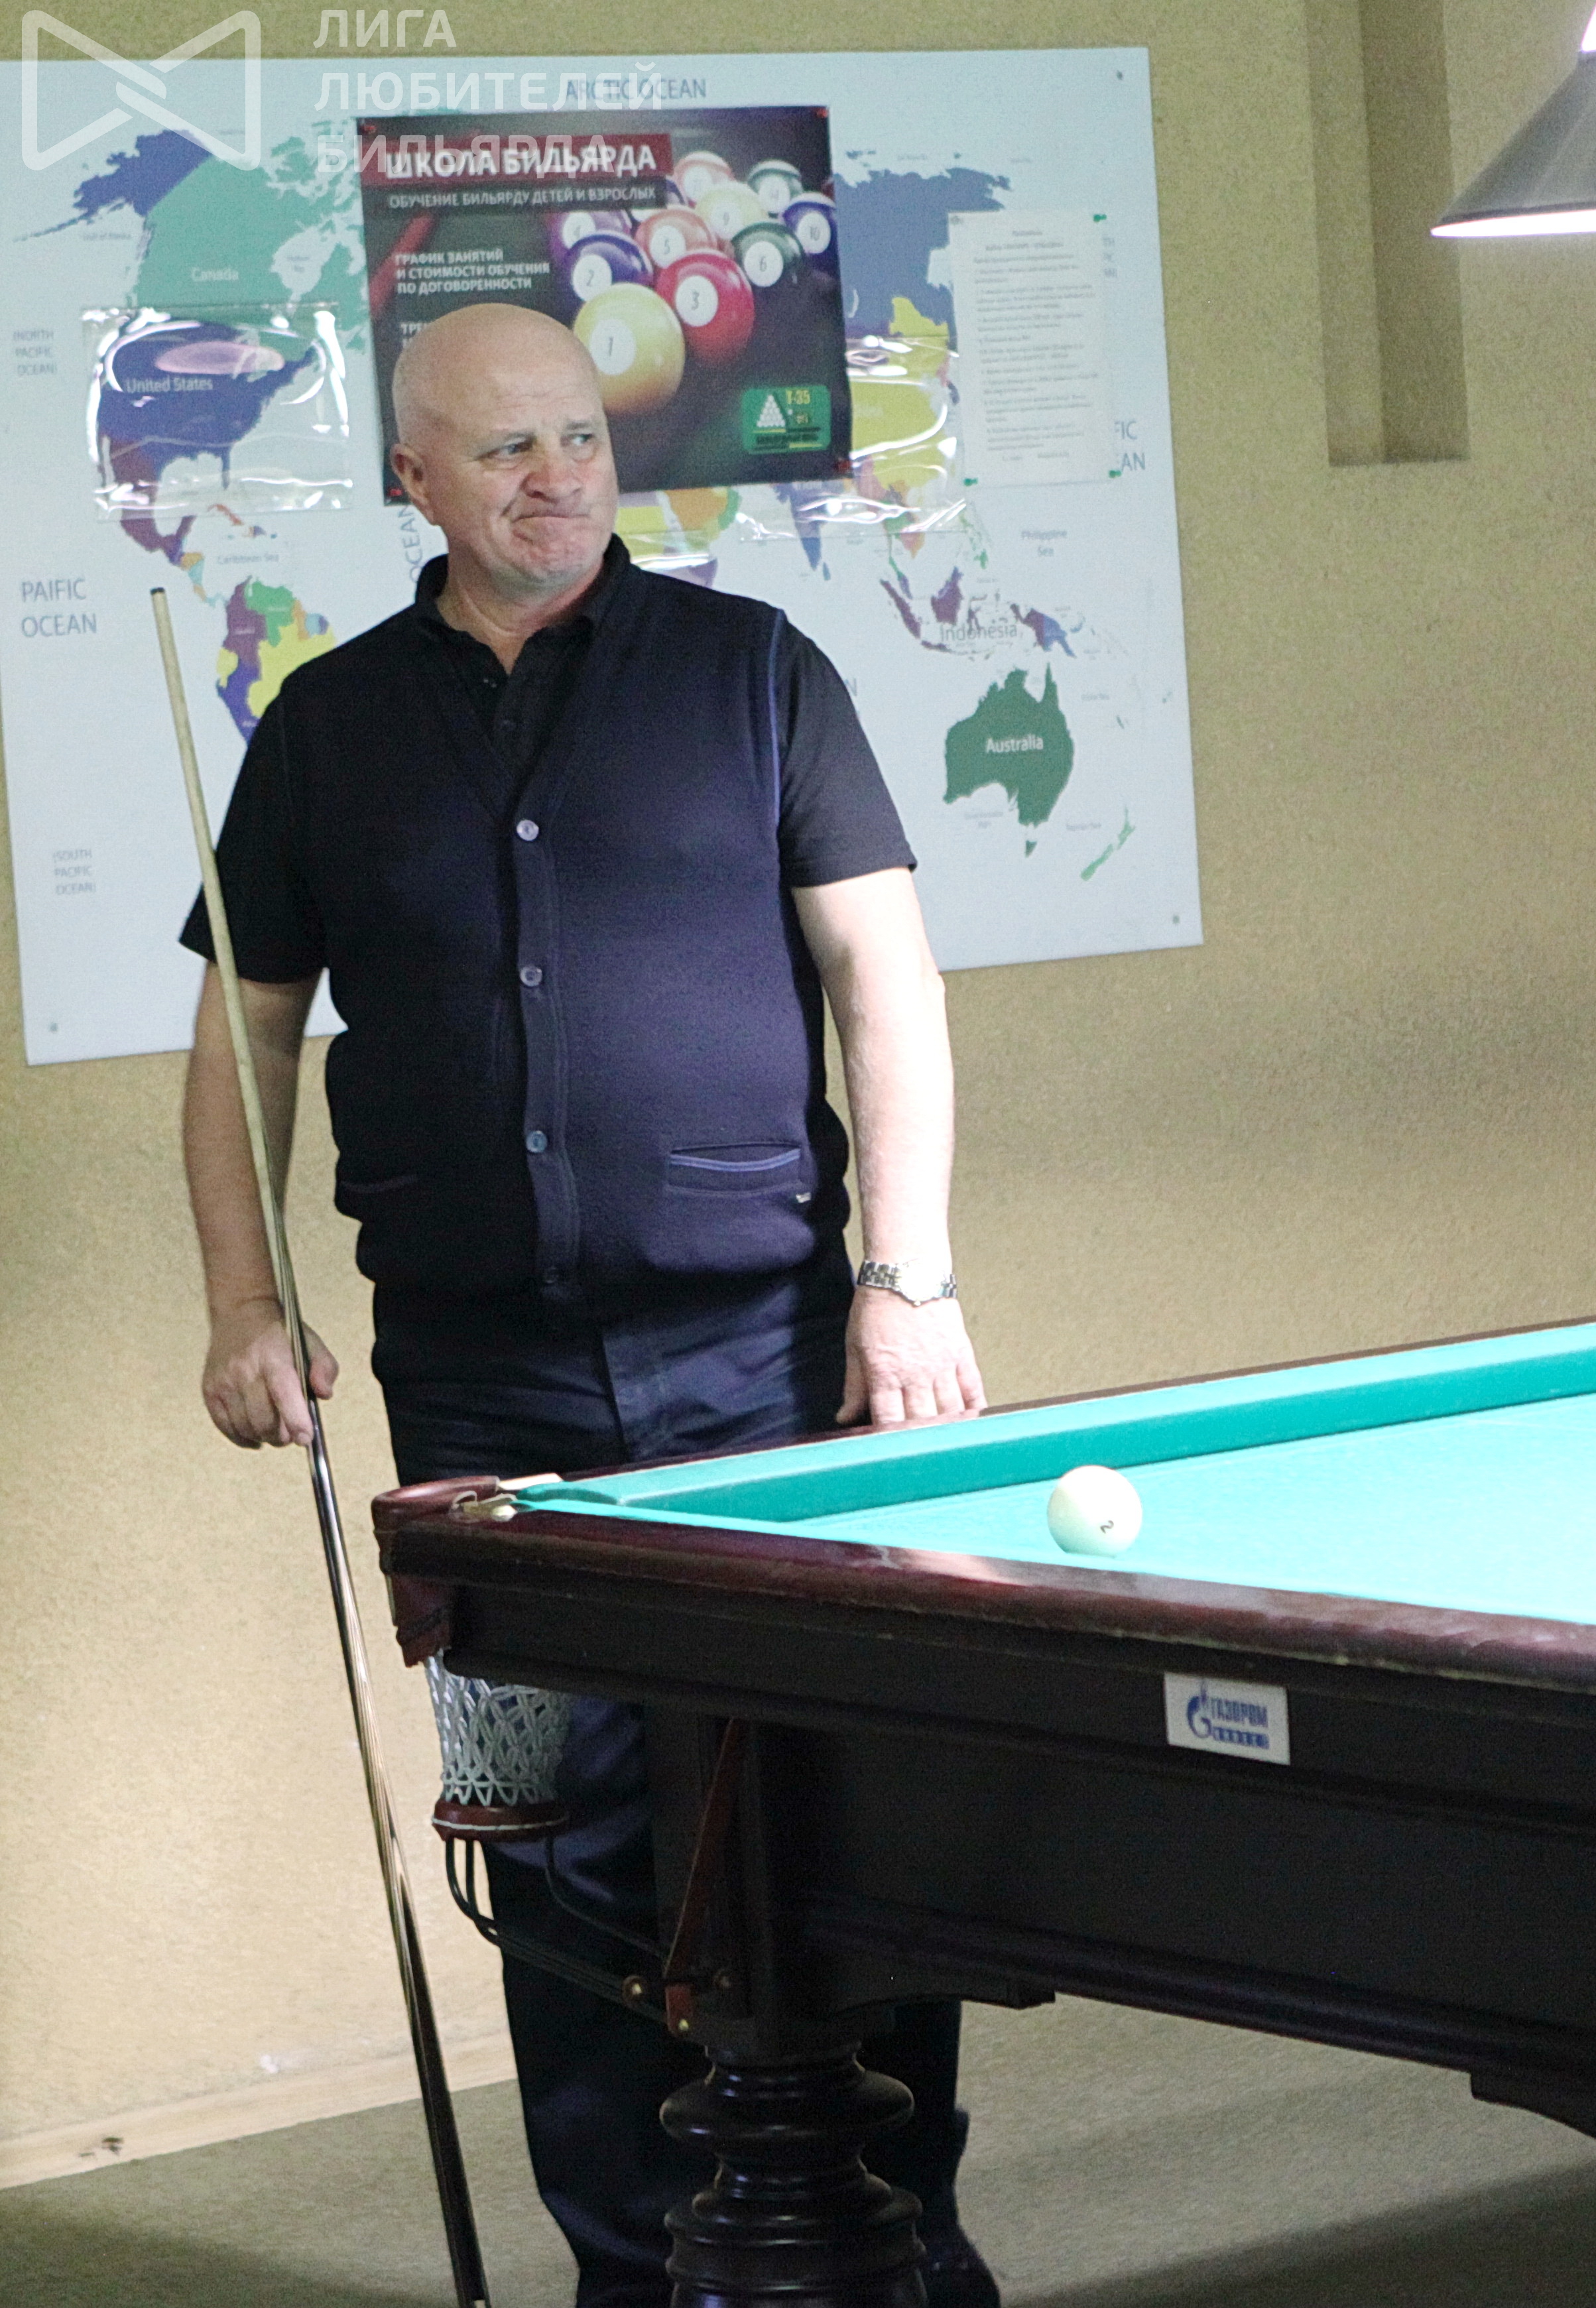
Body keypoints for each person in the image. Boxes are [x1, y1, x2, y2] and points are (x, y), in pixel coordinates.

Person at [180, 302, 993, 2308]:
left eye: (580, 438)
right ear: (414, 479)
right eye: (505, 450)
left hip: (773, 1369)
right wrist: (243, 1300)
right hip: (483, 1399)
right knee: (554, 1848)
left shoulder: (754, 671)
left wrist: (905, 1278)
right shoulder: (326, 727)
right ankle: (641, 2272)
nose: (557, 478)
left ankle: (900, 2250)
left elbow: (886, 983)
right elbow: (245, 1039)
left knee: (841, 1809)